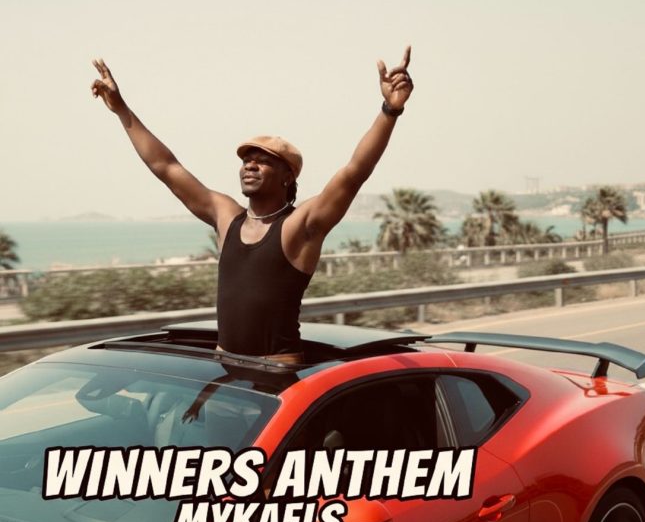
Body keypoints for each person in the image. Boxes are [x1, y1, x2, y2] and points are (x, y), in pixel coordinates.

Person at [90, 48, 414, 362]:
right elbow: (166, 167)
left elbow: (355, 172)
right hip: (226, 369)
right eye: (246, 160)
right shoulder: (225, 216)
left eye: (263, 161)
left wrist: (390, 110)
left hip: (276, 371)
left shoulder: (298, 227)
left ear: (288, 176)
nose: (250, 165)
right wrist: (121, 109)